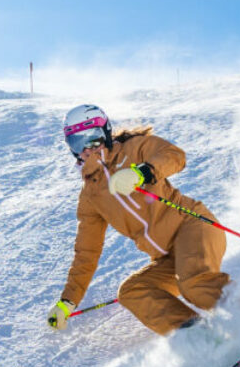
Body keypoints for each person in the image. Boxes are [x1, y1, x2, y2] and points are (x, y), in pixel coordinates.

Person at [45, 104, 229, 336]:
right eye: (77, 143)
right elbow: (87, 252)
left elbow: (175, 156)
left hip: (192, 226)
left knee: (194, 283)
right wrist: (67, 302)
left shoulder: (134, 149)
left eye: (92, 138)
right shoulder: (90, 196)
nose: (87, 149)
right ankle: (201, 337)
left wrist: (142, 172)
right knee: (134, 291)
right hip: (166, 256)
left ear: (106, 133)